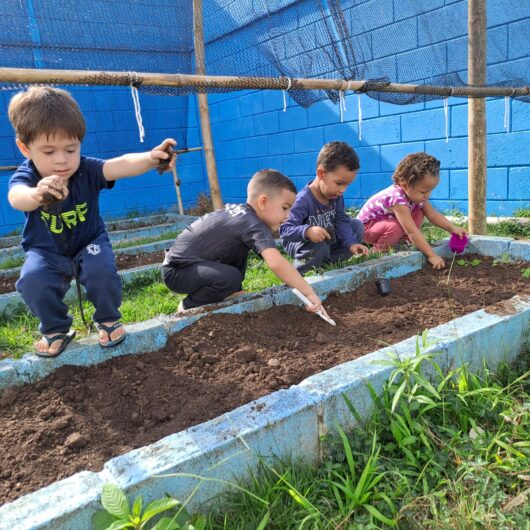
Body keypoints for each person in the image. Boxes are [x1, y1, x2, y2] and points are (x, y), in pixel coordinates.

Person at [7, 86, 176, 357]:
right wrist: (38, 194)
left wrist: (149, 158)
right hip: (45, 249)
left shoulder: (87, 169)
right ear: (25, 148)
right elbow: (17, 197)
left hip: (89, 241)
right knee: (31, 280)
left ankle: (108, 319)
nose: (62, 160)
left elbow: (120, 164)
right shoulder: (26, 177)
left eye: (71, 149)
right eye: (48, 152)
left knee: (102, 271)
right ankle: (56, 329)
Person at [161, 169, 330, 318]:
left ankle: (232, 290)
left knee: (238, 248)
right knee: (230, 277)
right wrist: (308, 292)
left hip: (186, 265)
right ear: (263, 202)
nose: (287, 216)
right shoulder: (252, 224)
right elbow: (276, 263)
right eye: (285, 208)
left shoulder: (242, 214)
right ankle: (187, 306)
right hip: (177, 271)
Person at [357, 152, 467, 269]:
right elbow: (412, 231)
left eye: (430, 190)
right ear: (404, 185)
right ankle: (377, 253)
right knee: (395, 227)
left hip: (384, 222)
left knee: (419, 212)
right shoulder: (397, 200)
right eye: (423, 191)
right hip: (367, 228)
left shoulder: (416, 197)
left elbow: (432, 214)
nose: (427, 195)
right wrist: (431, 255)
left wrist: (452, 228)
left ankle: (402, 243)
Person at [279, 141, 369, 274]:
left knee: (356, 226)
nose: (342, 190)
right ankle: (303, 272)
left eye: (347, 185)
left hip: (326, 240)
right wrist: (307, 231)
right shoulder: (303, 200)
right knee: (319, 244)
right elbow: (284, 230)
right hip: (304, 244)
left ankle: (327, 263)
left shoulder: (335, 195)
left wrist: (351, 243)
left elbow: (340, 220)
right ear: (321, 173)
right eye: (339, 183)